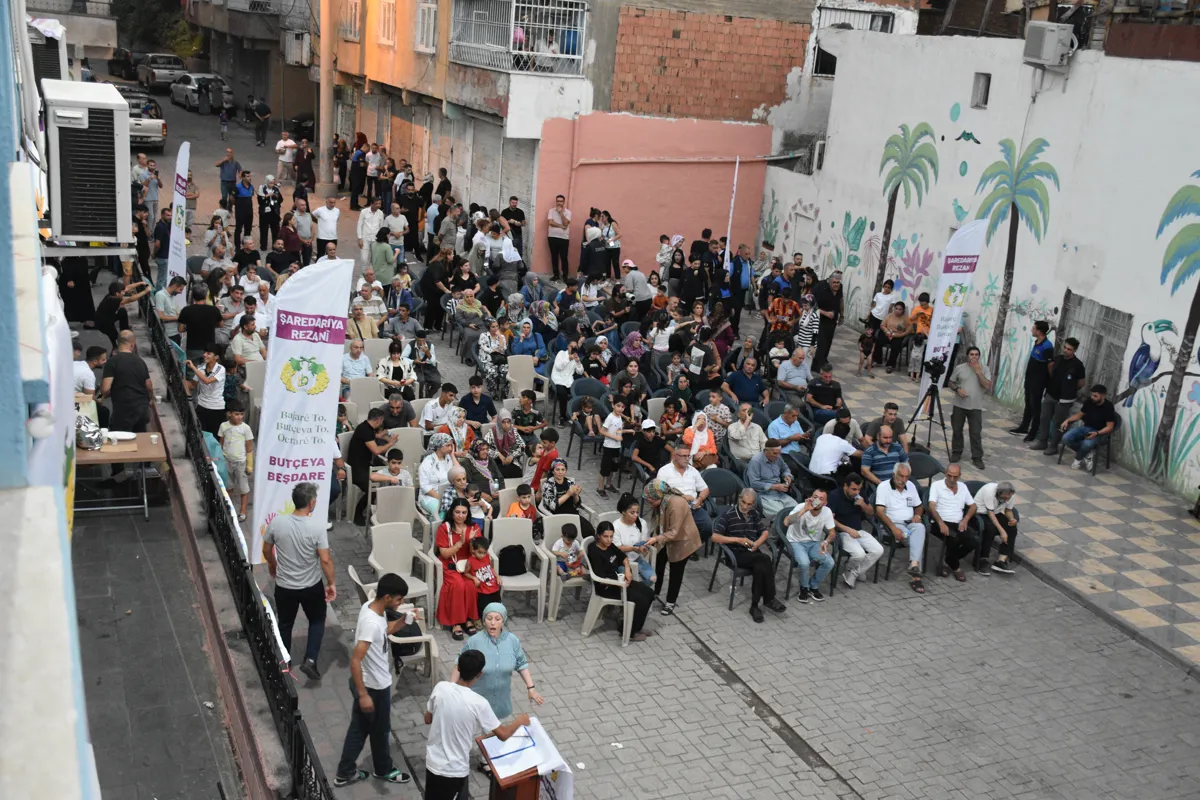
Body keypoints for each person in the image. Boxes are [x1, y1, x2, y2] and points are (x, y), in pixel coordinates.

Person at [333, 572, 414, 787]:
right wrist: (363, 695)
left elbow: (383, 633)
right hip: (373, 687)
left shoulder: (371, 606)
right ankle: (382, 769)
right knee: (375, 730)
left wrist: (403, 621)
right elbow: (355, 660)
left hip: (372, 684)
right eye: (399, 599)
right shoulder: (371, 622)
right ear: (387, 597)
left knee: (361, 728)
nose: (401, 602)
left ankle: (348, 771)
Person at [423, 650, 531, 799]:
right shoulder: (479, 703)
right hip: (454, 771)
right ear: (479, 675)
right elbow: (503, 734)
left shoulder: (441, 687)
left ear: (458, 668)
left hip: (432, 764)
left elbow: (427, 719)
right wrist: (519, 721)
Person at [262, 482, 335, 681]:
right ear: (311, 503)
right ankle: (310, 659)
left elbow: (267, 549)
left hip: (285, 586)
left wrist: (272, 565)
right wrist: (331, 583)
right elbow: (325, 559)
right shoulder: (317, 527)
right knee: (317, 620)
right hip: (311, 586)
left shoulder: (277, 523)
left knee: (285, 624)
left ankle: (283, 662)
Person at [712, 488, 785, 622]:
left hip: (752, 552)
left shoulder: (754, 514)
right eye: (743, 502)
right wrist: (739, 540)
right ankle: (769, 598)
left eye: (749, 504)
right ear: (739, 499)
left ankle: (755, 605)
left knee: (760, 567)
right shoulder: (728, 515)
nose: (745, 506)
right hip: (735, 553)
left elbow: (765, 532)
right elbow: (715, 537)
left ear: (753, 504)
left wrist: (757, 543)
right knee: (765, 559)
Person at [587, 517, 658, 641]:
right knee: (641, 600)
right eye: (605, 537)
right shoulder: (595, 551)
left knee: (650, 593)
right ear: (599, 536)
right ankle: (629, 632)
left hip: (620, 581)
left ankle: (635, 626)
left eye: (611, 536)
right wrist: (620, 582)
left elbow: (623, 557)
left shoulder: (610, 545)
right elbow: (600, 577)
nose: (609, 540)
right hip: (607, 586)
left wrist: (627, 570)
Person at [874, 462, 926, 594]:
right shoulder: (883, 487)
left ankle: (913, 565)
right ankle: (915, 578)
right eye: (901, 476)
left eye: (907, 477)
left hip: (909, 524)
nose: (903, 480)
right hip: (893, 524)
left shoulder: (911, 486)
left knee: (919, 528)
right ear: (894, 474)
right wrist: (892, 528)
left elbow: (919, 506)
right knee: (914, 539)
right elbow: (879, 511)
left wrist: (918, 515)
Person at [436, 498, 483, 640]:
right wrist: (461, 542)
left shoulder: (474, 528)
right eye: (457, 512)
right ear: (452, 512)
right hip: (450, 565)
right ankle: (455, 622)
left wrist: (472, 543)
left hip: (468, 566)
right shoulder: (445, 528)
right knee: (458, 585)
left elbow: (478, 553)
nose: (460, 516)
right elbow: (444, 554)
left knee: (470, 585)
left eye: (464, 512)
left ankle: (468, 618)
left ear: (468, 513)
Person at [1031, 337, 1086, 455]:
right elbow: (1051, 373)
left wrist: (1070, 389)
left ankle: (1053, 446)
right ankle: (1042, 441)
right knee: (1044, 418)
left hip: (1065, 399)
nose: (1066, 350)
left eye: (1069, 349)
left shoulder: (1078, 365)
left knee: (1058, 423)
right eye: (1065, 348)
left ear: (1074, 351)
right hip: (1051, 394)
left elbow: (1081, 383)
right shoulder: (1058, 359)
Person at [827, 473, 883, 589]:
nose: (856, 492)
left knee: (878, 550)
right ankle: (853, 570)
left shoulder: (860, 494)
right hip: (841, 532)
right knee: (859, 554)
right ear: (845, 486)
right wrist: (847, 529)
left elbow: (871, 512)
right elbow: (829, 519)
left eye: (859, 489)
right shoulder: (835, 496)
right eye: (853, 489)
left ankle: (853, 572)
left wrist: (863, 504)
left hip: (858, 531)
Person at [927, 463, 978, 582]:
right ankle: (956, 567)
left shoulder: (963, 487)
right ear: (945, 474)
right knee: (954, 539)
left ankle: (949, 559)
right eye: (949, 476)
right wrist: (940, 522)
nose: (952, 479)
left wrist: (965, 520)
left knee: (974, 541)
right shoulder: (936, 486)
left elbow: (973, 506)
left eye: (955, 477)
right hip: (940, 521)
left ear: (959, 476)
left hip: (958, 521)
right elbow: (932, 506)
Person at [783, 490, 837, 603]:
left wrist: (826, 542)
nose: (817, 500)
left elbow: (832, 533)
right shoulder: (801, 507)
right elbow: (786, 522)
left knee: (829, 562)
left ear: (825, 503)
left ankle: (813, 586)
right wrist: (805, 510)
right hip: (796, 541)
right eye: (815, 497)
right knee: (804, 563)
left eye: (821, 498)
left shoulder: (827, 512)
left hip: (814, 543)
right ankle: (804, 588)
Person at [347, 408, 399, 524]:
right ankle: (358, 514)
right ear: (379, 420)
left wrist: (385, 436)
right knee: (372, 488)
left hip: (366, 464)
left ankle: (381, 509)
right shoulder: (364, 430)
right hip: (357, 468)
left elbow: (376, 436)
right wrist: (390, 443)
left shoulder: (367, 428)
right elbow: (376, 451)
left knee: (388, 473)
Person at [654, 445, 712, 544]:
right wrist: (681, 498)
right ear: (675, 456)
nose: (687, 459)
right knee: (679, 530)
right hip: (675, 509)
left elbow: (705, 489)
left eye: (688, 456)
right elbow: (658, 495)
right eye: (683, 456)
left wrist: (699, 499)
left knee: (707, 528)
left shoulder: (693, 471)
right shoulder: (664, 471)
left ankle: (690, 546)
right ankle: (683, 547)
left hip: (693, 507)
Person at [946, 346, 992, 469]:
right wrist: (957, 389)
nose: (974, 357)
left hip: (976, 406)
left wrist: (978, 372)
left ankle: (977, 457)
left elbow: (987, 385)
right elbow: (950, 382)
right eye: (971, 354)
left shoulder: (984, 369)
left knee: (975, 432)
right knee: (957, 429)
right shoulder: (960, 368)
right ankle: (956, 452)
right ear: (967, 356)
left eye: (976, 354)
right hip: (959, 404)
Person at [102, 330, 153, 436]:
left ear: (117, 342)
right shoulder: (140, 362)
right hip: (142, 409)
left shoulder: (112, 362)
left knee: (120, 441)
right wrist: (151, 399)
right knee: (140, 439)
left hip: (123, 410)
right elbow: (148, 385)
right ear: (133, 344)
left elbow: (105, 389)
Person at [1010, 320, 1054, 441]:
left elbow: (1050, 365)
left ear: (1039, 331)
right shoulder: (1037, 342)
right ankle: (1024, 426)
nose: (1031, 330)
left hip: (1038, 381)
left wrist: (1050, 380)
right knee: (1028, 403)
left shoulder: (1047, 346)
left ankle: (1033, 432)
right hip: (1030, 378)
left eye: (1033, 328)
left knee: (1035, 406)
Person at [1060, 384, 1117, 471]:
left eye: (1095, 396)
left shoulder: (1108, 407)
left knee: (1087, 444)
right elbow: (1079, 415)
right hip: (1085, 427)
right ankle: (1086, 453)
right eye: (1092, 395)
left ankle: (1078, 459)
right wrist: (1067, 421)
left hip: (1099, 432)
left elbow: (1110, 427)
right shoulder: (1089, 402)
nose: (1092, 397)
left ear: (1103, 396)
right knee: (1066, 438)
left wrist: (1097, 433)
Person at [218, 402, 254, 521]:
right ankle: (229, 508)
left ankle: (243, 511)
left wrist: (249, 465)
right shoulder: (224, 426)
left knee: (243, 488)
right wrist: (218, 459)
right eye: (236, 414)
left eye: (241, 414)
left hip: (240, 463)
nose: (239, 417)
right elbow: (220, 443)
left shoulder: (246, 428)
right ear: (229, 414)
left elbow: (249, 448)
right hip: (226, 460)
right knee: (228, 486)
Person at [973, 480, 1019, 575]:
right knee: (990, 529)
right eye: (1005, 496)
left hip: (996, 513)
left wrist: (1011, 519)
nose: (1007, 499)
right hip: (980, 513)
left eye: (1009, 497)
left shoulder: (1011, 495)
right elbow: (990, 513)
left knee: (1012, 529)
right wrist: (1002, 531)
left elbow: (1008, 510)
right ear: (999, 492)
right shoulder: (990, 491)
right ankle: (982, 559)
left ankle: (1001, 560)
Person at [540, 459, 594, 538]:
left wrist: (575, 495)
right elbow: (552, 506)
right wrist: (568, 494)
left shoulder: (569, 483)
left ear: (566, 471)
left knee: (590, 531)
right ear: (552, 471)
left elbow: (576, 504)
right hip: (558, 516)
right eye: (557, 469)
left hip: (573, 514)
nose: (560, 472)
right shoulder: (548, 485)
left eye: (563, 469)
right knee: (574, 535)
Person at [744, 440, 794, 518]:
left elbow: (785, 469)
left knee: (796, 510)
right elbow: (754, 483)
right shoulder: (756, 461)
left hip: (779, 493)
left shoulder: (778, 457)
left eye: (779, 453)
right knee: (781, 515)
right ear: (766, 451)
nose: (777, 456)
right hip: (764, 495)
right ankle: (778, 529)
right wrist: (774, 486)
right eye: (775, 453)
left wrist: (787, 475)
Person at [418, 433, 458, 519]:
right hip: (430, 496)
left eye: (451, 445)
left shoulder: (448, 458)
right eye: (448, 445)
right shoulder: (427, 463)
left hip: (448, 493)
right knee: (442, 509)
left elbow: (459, 473)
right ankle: (440, 529)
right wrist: (442, 498)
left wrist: (453, 456)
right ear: (439, 446)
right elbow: (425, 487)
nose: (450, 448)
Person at [598, 398, 631, 498]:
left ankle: (608, 485)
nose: (620, 409)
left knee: (613, 468)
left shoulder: (619, 417)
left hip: (616, 446)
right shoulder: (610, 417)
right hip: (609, 447)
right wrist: (615, 437)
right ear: (613, 405)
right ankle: (600, 488)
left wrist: (626, 431)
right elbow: (602, 431)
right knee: (604, 469)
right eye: (618, 406)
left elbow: (618, 430)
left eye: (622, 407)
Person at [484, 409, 527, 479]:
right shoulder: (492, 432)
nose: (506, 425)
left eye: (508, 422)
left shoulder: (513, 432)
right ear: (499, 422)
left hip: (512, 461)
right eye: (503, 422)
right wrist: (498, 454)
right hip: (496, 461)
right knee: (499, 475)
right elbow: (484, 448)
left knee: (517, 473)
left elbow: (523, 447)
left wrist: (512, 455)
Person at [726, 402, 767, 469]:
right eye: (744, 410)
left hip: (758, 459)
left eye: (749, 411)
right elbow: (737, 436)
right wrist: (747, 421)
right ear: (738, 414)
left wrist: (764, 457)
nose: (747, 413)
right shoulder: (732, 427)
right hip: (742, 461)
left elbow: (764, 443)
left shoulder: (757, 427)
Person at [546, 194, 572, 280]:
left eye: (561, 201)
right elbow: (550, 222)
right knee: (554, 257)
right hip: (552, 237)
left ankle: (565, 276)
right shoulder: (551, 211)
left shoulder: (568, 212)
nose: (559, 203)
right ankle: (556, 275)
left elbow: (566, 223)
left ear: (564, 202)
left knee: (564, 257)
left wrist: (561, 213)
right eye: (558, 201)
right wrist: (561, 226)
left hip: (564, 238)